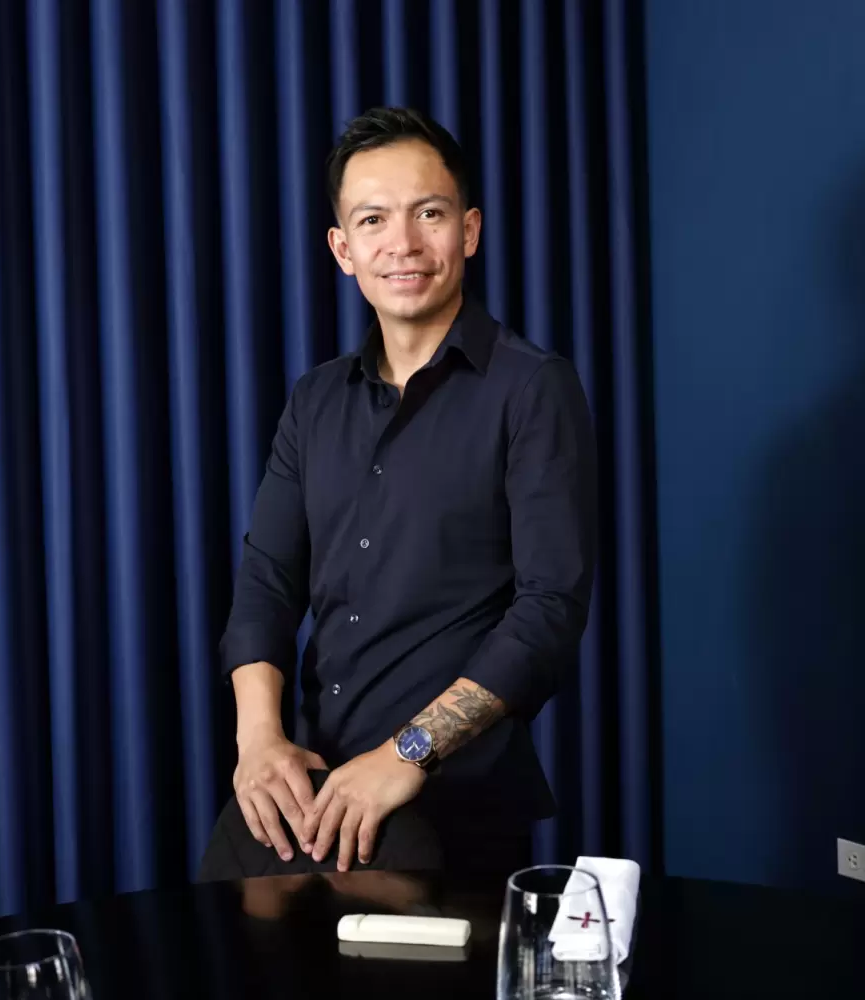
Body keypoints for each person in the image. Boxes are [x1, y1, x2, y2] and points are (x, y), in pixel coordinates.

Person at [214, 106, 597, 879]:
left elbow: (551, 607)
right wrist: (259, 740)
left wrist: (406, 753)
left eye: (429, 213)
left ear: (469, 231)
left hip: (453, 796)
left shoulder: (532, 388)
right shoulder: (314, 400)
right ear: (343, 249)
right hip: (312, 786)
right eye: (373, 219)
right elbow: (267, 582)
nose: (404, 244)